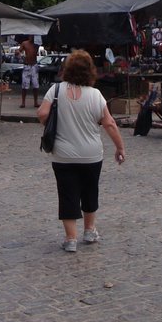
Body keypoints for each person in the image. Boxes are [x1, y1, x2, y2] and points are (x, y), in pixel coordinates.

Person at [37, 49, 126, 253]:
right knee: (90, 191)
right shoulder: (95, 95)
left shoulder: (56, 90)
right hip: (91, 154)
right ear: (90, 72)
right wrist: (120, 147)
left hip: (63, 154)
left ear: (67, 70)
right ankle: (89, 230)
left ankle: (70, 239)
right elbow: (110, 124)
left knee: (67, 194)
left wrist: (53, 125)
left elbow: (42, 113)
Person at [18, 36, 39, 108]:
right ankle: (23, 102)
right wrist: (18, 52)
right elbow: (19, 50)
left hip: (34, 65)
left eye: (33, 36)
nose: (32, 37)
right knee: (24, 85)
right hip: (27, 66)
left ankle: (35, 102)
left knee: (35, 85)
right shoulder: (25, 43)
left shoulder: (37, 44)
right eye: (30, 36)